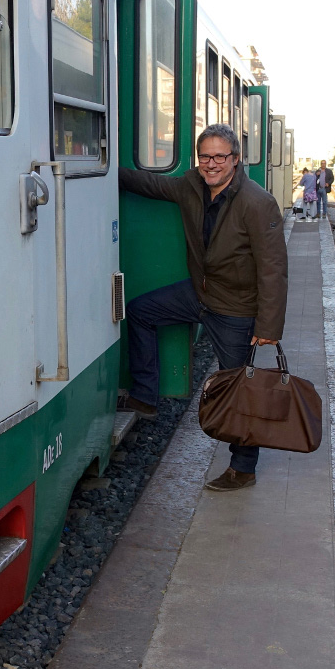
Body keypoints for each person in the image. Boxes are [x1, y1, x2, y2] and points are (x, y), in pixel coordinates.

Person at [119, 123, 288, 491]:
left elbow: (274, 270)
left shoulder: (258, 203)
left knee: (236, 389)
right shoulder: (190, 187)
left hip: (236, 308)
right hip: (200, 294)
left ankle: (243, 468)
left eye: (219, 157)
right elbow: (148, 184)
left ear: (235, 160)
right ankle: (145, 396)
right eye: (205, 157)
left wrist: (268, 328)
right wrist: (101, 171)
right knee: (141, 311)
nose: (211, 164)